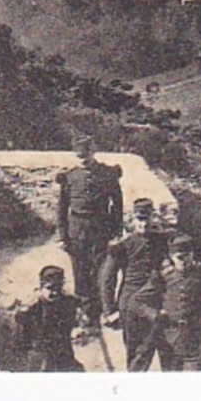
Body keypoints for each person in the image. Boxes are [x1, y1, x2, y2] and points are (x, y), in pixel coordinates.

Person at [132, 233, 201, 372]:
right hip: (170, 338)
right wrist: (155, 314)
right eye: (179, 258)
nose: (184, 261)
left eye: (187, 256)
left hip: (196, 338)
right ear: (171, 257)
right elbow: (136, 302)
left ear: (192, 254)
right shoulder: (163, 277)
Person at [55, 135, 122, 328]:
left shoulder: (108, 174)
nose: (83, 159)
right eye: (80, 156)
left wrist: (116, 231)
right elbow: (61, 209)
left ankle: (105, 310)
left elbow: (117, 205)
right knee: (80, 270)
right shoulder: (70, 176)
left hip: (102, 228)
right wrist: (62, 236)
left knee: (104, 270)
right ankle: (86, 312)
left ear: (93, 152)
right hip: (77, 229)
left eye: (86, 154)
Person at [99, 197, 170, 371]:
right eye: (140, 219)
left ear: (153, 217)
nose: (143, 224)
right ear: (132, 219)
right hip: (131, 306)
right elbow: (106, 279)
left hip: (160, 303)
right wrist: (110, 310)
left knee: (170, 354)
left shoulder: (163, 240)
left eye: (147, 218)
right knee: (138, 358)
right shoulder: (122, 246)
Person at [13, 265, 84, 372]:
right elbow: (21, 334)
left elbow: (78, 319)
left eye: (58, 288)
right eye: (50, 288)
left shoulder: (68, 302)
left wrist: (78, 327)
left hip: (63, 353)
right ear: (41, 288)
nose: (54, 292)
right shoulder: (32, 307)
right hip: (41, 355)